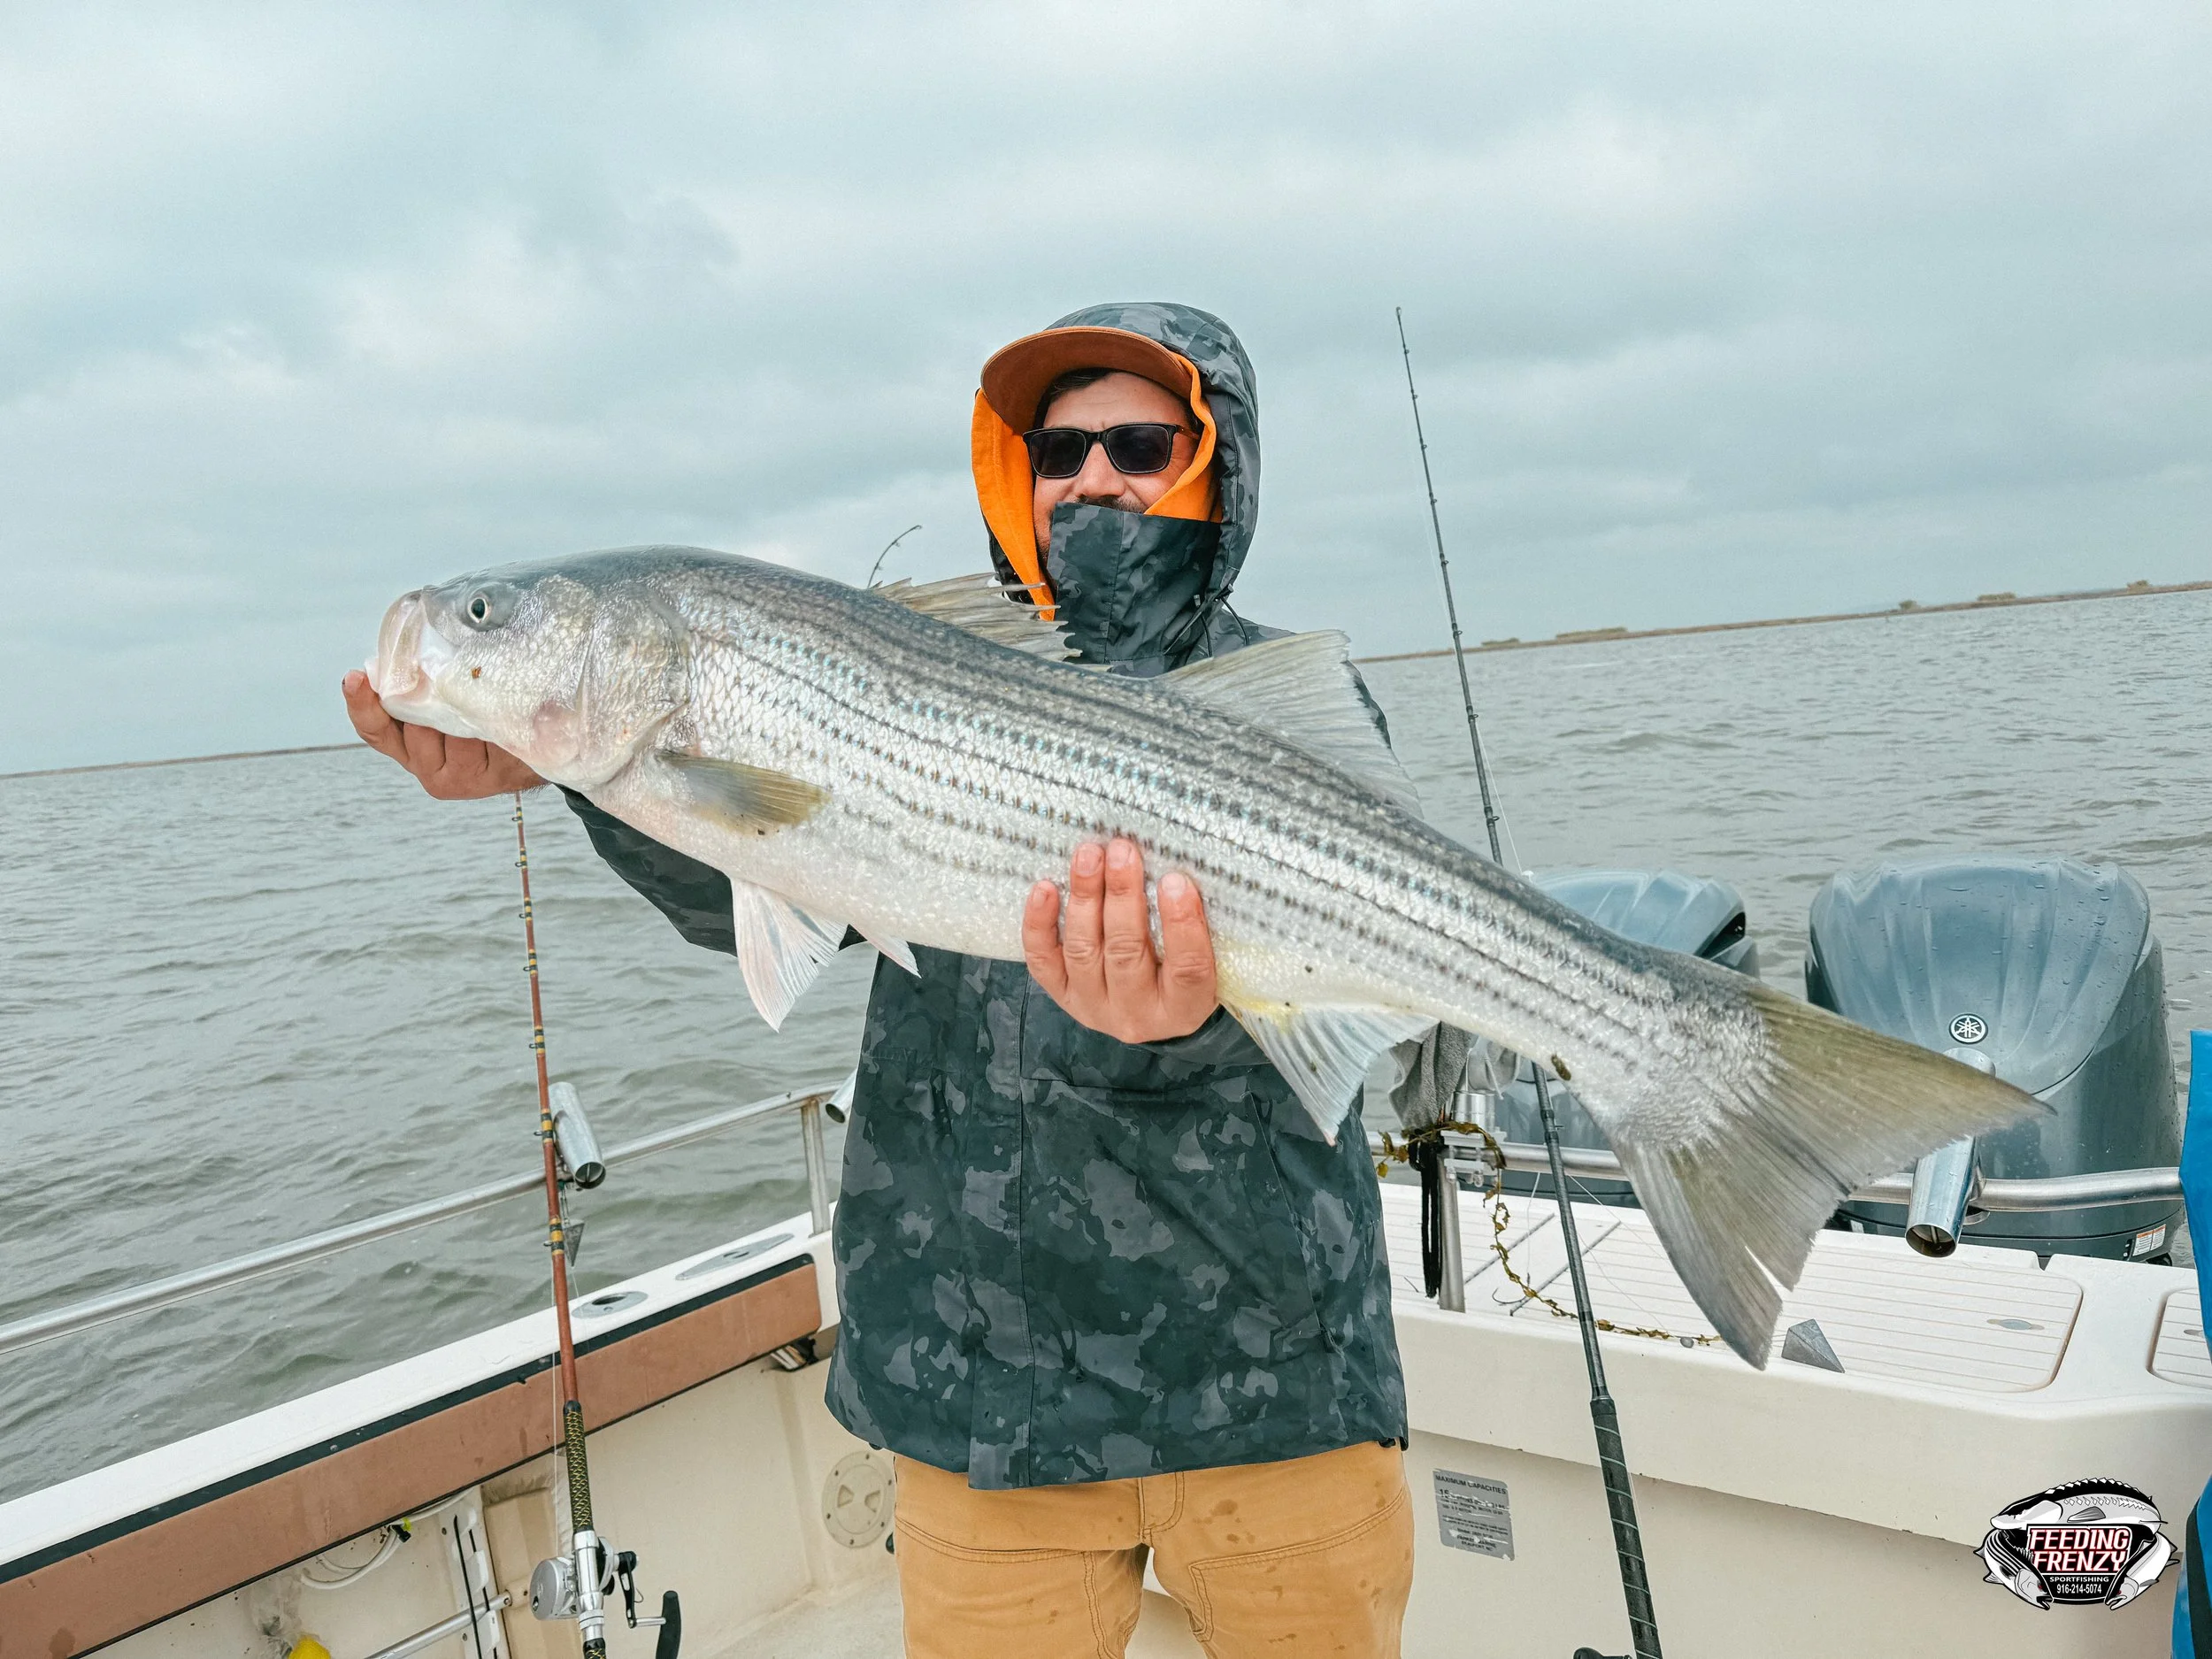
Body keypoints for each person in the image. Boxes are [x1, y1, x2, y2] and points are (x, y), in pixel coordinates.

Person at [343, 302, 1416, 1657]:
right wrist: (590, 784)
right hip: (980, 1393)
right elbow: (758, 879)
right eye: (1056, 448)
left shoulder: (1276, 699)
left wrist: (1191, 1027)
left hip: (1272, 1386)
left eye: (1137, 443)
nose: (1090, 476)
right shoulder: (896, 655)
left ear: (1214, 470)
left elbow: (1351, 997)